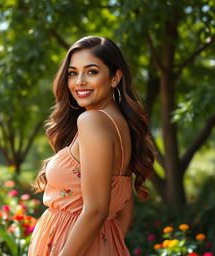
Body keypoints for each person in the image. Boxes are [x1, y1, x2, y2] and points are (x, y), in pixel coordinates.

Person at [28, 36, 154, 256]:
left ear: (115, 77)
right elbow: (124, 209)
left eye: (92, 71)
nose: (79, 82)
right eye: (73, 73)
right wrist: (104, 246)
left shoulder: (92, 121)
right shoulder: (119, 124)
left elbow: (96, 210)